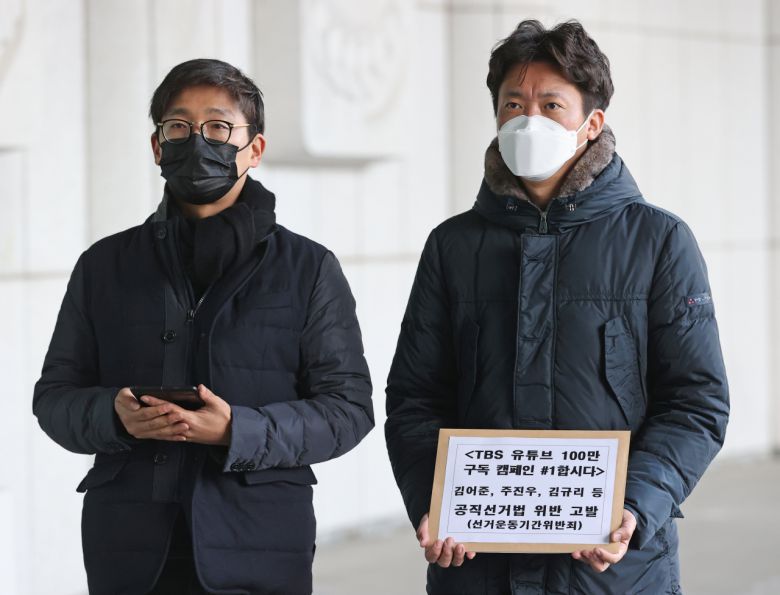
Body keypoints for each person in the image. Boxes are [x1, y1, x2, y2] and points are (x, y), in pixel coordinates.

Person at [385, 19, 728, 595]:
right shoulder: (454, 245)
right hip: (478, 569)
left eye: (551, 105)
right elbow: (416, 397)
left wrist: (635, 506)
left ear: (592, 124)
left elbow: (696, 402)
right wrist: (433, 501)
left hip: (615, 573)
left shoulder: (659, 241)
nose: (528, 121)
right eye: (513, 104)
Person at [33, 58, 374, 595]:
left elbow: (348, 411)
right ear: (157, 147)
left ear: (254, 150)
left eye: (218, 127)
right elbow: (53, 399)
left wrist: (238, 430)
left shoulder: (308, 269)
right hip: (128, 549)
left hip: (260, 544)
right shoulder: (104, 265)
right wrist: (113, 416)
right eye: (179, 128)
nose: (198, 142)